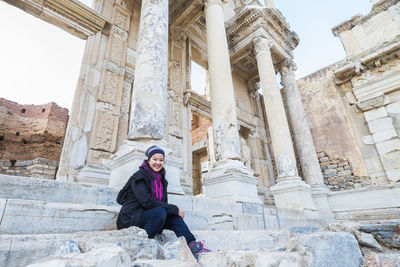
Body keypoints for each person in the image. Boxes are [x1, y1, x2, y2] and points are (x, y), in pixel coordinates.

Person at [116, 145, 211, 260]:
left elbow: (162, 203)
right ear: (148, 160)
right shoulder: (139, 177)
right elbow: (146, 202)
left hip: (149, 216)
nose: (158, 162)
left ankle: (193, 246)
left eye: (161, 160)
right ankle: (143, 246)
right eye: (154, 159)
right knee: (161, 212)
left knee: (173, 217)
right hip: (131, 217)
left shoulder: (162, 181)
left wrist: (173, 212)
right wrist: (175, 209)